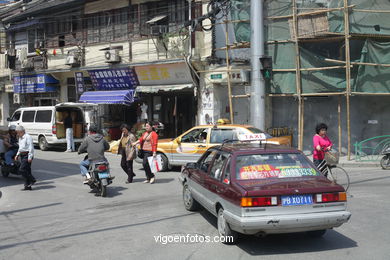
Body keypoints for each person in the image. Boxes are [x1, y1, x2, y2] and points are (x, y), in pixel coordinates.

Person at [14, 125, 36, 191]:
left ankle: (32, 179)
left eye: (18, 132)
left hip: (27, 155)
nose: (17, 134)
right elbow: (20, 148)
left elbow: (31, 148)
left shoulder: (28, 137)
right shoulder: (20, 138)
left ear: (22, 131)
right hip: (22, 155)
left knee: (22, 169)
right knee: (27, 170)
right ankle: (27, 186)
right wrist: (17, 155)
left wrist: (30, 157)